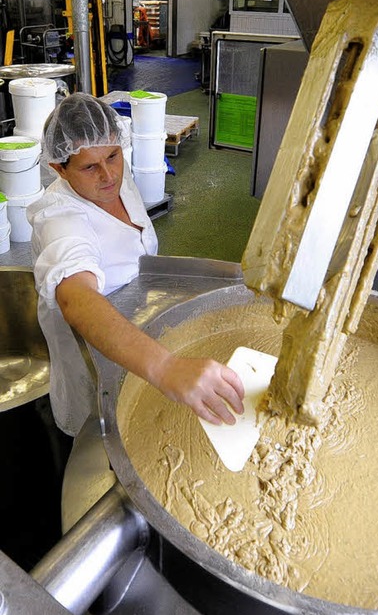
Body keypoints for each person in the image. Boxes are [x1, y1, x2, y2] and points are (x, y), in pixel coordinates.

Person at [27, 93, 244, 438]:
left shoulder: (114, 183)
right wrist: (165, 367)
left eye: (113, 156)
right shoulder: (60, 219)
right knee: (105, 434)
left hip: (137, 331)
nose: (108, 175)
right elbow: (75, 298)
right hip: (96, 356)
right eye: (89, 167)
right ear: (59, 169)